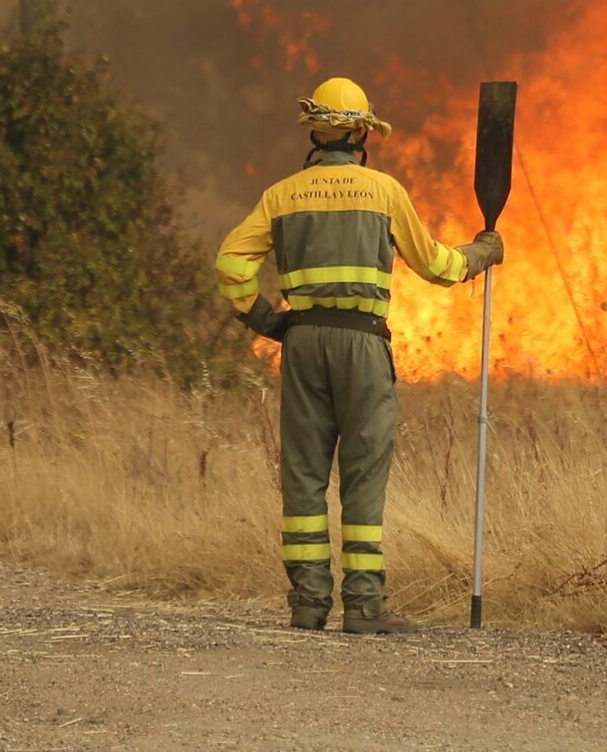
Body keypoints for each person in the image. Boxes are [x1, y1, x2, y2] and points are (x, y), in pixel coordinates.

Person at [215, 77, 504, 633]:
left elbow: (231, 265)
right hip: (364, 344)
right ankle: (366, 607)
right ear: (362, 133)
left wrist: (268, 321)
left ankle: (308, 604)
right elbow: (439, 267)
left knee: (303, 473)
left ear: (316, 134)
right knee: (363, 473)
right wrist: (482, 253)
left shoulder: (281, 196)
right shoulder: (383, 191)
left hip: (302, 343)